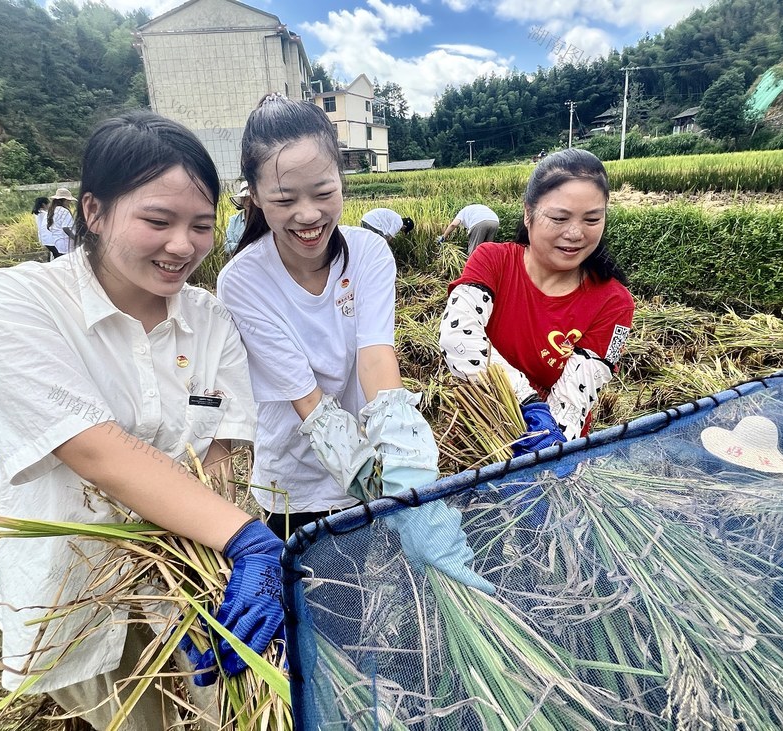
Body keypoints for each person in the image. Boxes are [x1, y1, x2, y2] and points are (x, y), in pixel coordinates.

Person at [0, 110, 281, 730]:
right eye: (157, 221)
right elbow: (94, 451)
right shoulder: (15, 303)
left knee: (238, 714)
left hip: (196, 583)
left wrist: (210, 573)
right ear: (94, 212)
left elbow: (225, 456)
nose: (182, 246)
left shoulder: (213, 321)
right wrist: (244, 537)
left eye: (199, 225)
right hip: (76, 592)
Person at [217, 94, 492, 593]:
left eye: (324, 192)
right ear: (254, 196)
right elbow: (305, 398)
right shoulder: (243, 280)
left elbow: (376, 356)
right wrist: (366, 472)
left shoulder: (367, 253)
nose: (308, 215)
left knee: (380, 601)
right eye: (284, 199)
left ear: (343, 181)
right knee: (326, 615)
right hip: (295, 485)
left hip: (376, 466)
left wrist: (405, 476)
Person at [439, 148, 634, 453]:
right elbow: (458, 336)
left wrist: (547, 447)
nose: (575, 233)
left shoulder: (614, 302)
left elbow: (578, 393)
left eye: (592, 219)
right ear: (528, 213)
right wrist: (527, 402)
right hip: (479, 434)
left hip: (556, 437)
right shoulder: (493, 261)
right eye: (559, 218)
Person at [46, 187, 76, 257]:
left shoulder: (53, 210)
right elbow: (66, 228)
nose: (70, 202)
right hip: (66, 242)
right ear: (64, 200)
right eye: (69, 200)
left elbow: (50, 226)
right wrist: (77, 239)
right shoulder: (64, 211)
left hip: (58, 242)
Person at [223, 180, 250, 255]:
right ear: (242, 200)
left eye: (250, 198)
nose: (248, 202)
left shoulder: (263, 220)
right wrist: (245, 245)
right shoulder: (234, 220)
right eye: (245, 199)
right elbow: (227, 246)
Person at [32, 196, 56, 260]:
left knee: (52, 254)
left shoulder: (37, 214)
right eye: (48, 203)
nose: (50, 205)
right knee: (55, 255)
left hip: (43, 237)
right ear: (44, 204)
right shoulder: (45, 214)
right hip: (49, 237)